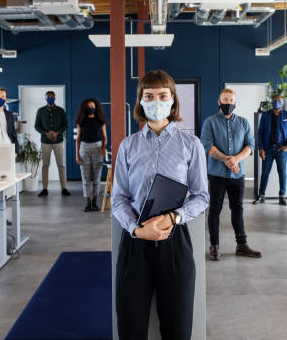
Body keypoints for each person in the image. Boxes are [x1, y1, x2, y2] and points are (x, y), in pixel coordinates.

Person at [112, 70, 209, 340]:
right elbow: (118, 197)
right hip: (135, 242)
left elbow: (202, 196)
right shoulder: (128, 146)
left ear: (173, 100)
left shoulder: (191, 145)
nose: (156, 101)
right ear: (141, 102)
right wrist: (135, 229)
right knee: (131, 327)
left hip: (175, 242)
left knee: (177, 329)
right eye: (149, 96)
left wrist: (173, 218)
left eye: (163, 95)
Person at [201, 88, 261, 261]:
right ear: (219, 102)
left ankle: (242, 245)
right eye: (225, 100)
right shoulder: (210, 122)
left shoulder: (243, 123)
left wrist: (236, 159)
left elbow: (251, 144)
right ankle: (214, 246)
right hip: (217, 175)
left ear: (235, 103)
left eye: (231, 100)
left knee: (238, 209)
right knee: (214, 209)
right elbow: (207, 146)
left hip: (237, 176)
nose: (228, 103)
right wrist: (228, 160)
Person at [253, 94, 287, 206]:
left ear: (282, 102)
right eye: (275, 101)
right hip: (268, 149)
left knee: (282, 173)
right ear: (272, 102)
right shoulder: (266, 115)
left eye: (279, 101)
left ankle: (282, 196)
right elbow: (260, 133)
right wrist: (261, 148)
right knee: (265, 173)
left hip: (282, 150)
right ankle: (261, 196)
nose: (276, 102)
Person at [34, 91, 70, 197]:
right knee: (45, 165)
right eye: (48, 97)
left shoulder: (61, 111)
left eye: (52, 97)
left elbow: (66, 125)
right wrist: (46, 133)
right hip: (45, 142)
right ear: (45, 98)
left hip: (58, 142)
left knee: (61, 165)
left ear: (55, 98)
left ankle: (64, 188)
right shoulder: (40, 111)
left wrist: (57, 133)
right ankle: (45, 189)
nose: (50, 98)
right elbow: (37, 126)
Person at [75, 98, 107, 212]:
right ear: (85, 108)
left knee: (97, 178)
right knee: (86, 177)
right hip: (84, 148)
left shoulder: (100, 120)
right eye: (89, 107)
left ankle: (95, 201)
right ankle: (88, 203)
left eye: (93, 106)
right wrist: (77, 155)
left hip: (97, 147)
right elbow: (78, 139)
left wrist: (103, 149)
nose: (91, 108)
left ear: (96, 107)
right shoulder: (81, 121)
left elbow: (105, 137)